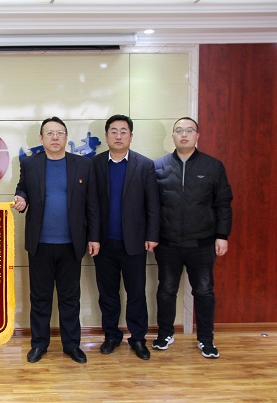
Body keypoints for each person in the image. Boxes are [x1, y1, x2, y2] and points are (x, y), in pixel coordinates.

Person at [13, 116, 100, 364]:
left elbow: (92, 204)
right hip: (39, 244)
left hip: (72, 244)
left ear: (66, 137)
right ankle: (39, 344)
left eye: (59, 133)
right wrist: (21, 198)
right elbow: (22, 189)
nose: (55, 137)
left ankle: (71, 345)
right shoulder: (30, 164)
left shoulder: (82, 165)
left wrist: (94, 237)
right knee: (40, 298)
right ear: (41, 138)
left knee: (70, 298)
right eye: (49, 133)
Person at [153, 117, 233, 359]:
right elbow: (152, 207)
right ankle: (165, 334)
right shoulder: (159, 166)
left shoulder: (213, 166)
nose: (184, 134)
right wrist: (151, 236)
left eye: (189, 130)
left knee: (204, 291)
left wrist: (222, 235)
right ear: (173, 136)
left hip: (202, 242)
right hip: (167, 242)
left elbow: (223, 204)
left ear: (197, 135)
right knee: (166, 290)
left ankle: (206, 339)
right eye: (179, 130)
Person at [92, 114, 160, 361]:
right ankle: (111, 336)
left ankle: (138, 338)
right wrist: (92, 237)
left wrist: (152, 234)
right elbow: (91, 205)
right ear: (106, 135)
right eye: (113, 131)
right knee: (107, 293)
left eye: (123, 131)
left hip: (135, 242)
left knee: (136, 293)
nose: (118, 136)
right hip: (103, 243)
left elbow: (153, 204)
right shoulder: (95, 164)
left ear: (131, 136)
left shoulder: (144, 165)